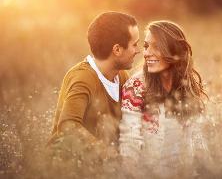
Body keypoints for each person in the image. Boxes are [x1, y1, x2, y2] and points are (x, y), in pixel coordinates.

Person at [47, 12, 140, 177]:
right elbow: (68, 126)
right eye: (135, 45)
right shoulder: (83, 78)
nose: (138, 51)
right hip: (66, 169)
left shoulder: (122, 76)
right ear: (117, 49)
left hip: (100, 170)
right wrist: (111, 156)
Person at [119, 20, 212, 178]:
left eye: (156, 46)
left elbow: (198, 142)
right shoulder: (136, 86)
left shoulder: (187, 86)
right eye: (146, 46)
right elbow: (129, 144)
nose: (147, 53)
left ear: (174, 51)